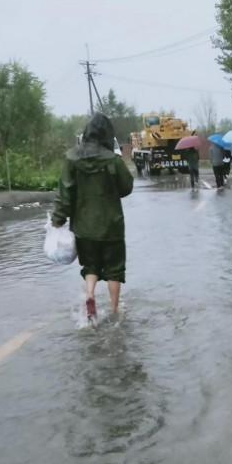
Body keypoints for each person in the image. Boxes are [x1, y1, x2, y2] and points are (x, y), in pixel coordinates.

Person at [52, 113, 134, 321]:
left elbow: (65, 193)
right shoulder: (113, 161)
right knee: (115, 270)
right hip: (112, 226)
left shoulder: (71, 159)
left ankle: (89, 294)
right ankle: (115, 310)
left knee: (90, 266)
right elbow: (127, 187)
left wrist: (58, 219)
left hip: (83, 227)